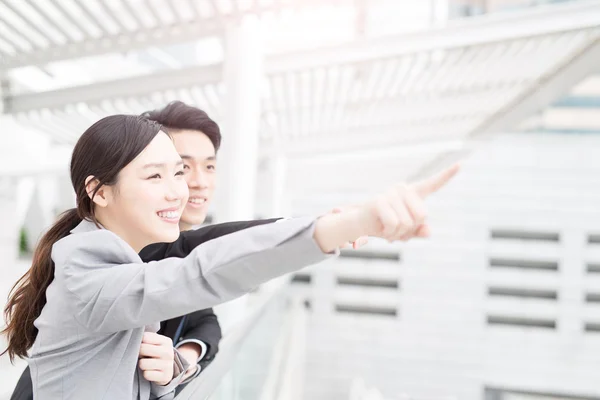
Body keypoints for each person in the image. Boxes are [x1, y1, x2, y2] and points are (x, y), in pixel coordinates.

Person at [2, 114, 458, 399]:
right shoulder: (89, 274)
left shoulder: (112, 260)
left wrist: (175, 366)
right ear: (98, 191)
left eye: (179, 173)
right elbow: (199, 270)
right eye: (155, 176)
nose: (181, 189)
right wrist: (342, 225)